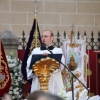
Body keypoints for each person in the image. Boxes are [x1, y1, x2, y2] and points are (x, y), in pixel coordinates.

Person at [26, 30, 65, 94]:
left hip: (53, 79)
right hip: (39, 80)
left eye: (46, 36)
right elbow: (29, 66)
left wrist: (48, 58)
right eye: (42, 36)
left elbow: (61, 66)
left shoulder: (58, 51)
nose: (43, 38)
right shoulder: (35, 51)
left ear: (52, 38)